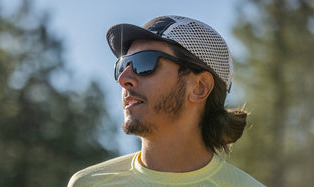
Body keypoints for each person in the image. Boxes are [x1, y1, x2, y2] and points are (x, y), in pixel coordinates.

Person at [68, 15, 264, 186]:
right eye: (123, 65)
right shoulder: (88, 184)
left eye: (144, 63)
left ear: (200, 87)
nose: (123, 79)